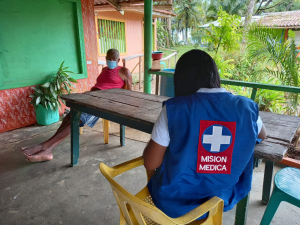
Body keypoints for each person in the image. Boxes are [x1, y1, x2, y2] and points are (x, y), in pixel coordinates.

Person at [143, 50, 267, 219]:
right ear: (215, 76)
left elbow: (151, 163)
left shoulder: (174, 110)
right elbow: (263, 134)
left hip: (174, 202)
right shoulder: (246, 108)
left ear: (181, 80)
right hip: (219, 198)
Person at [22, 49, 132, 162]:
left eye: (114, 59)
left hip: (103, 102)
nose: (111, 61)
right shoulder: (104, 70)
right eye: (109, 58)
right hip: (90, 97)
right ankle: (47, 150)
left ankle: (44, 147)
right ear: (106, 58)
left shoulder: (124, 71)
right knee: (69, 117)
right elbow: (99, 85)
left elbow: (129, 93)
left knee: (76, 119)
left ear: (118, 60)